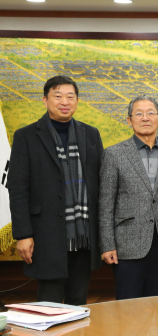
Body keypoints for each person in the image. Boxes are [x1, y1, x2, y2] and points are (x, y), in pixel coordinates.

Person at [8, 75, 103, 305]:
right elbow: (18, 188)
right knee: (48, 304)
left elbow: (100, 182)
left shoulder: (90, 134)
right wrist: (23, 234)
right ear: (45, 100)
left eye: (70, 97)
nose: (64, 101)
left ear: (77, 101)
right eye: (58, 96)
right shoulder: (26, 136)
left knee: (78, 302)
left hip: (83, 235)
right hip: (46, 234)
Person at [99, 96, 158, 300]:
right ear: (129, 120)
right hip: (127, 242)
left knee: (157, 301)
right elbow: (105, 202)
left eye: (150, 113)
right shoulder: (114, 154)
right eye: (139, 113)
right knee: (128, 304)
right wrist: (107, 244)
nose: (145, 118)